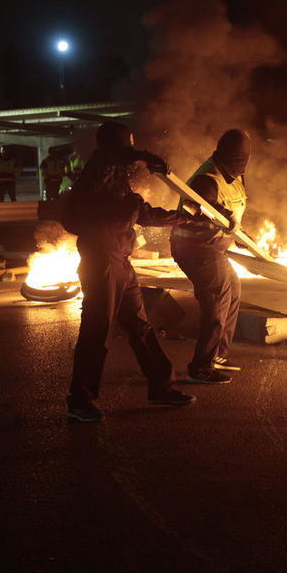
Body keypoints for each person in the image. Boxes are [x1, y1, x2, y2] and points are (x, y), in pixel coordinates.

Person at [62, 121, 205, 422]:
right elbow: (109, 160)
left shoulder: (115, 176)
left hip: (121, 262)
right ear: (115, 147)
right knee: (96, 332)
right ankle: (80, 400)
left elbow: (143, 214)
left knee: (140, 326)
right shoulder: (97, 171)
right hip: (101, 262)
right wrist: (143, 155)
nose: (129, 151)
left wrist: (185, 219)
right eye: (126, 145)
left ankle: (161, 388)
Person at [170, 129, 251, 384]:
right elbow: (197, 207)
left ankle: (217, 355)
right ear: (233, 155)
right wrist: (221, 213)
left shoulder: (235, 176)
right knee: (216, 299)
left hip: (214, 246)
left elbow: (232, 214)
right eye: (241, 156)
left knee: (233, 289)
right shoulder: (207, 178)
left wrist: (242, 236)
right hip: (196, 248)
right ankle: (201, 367)